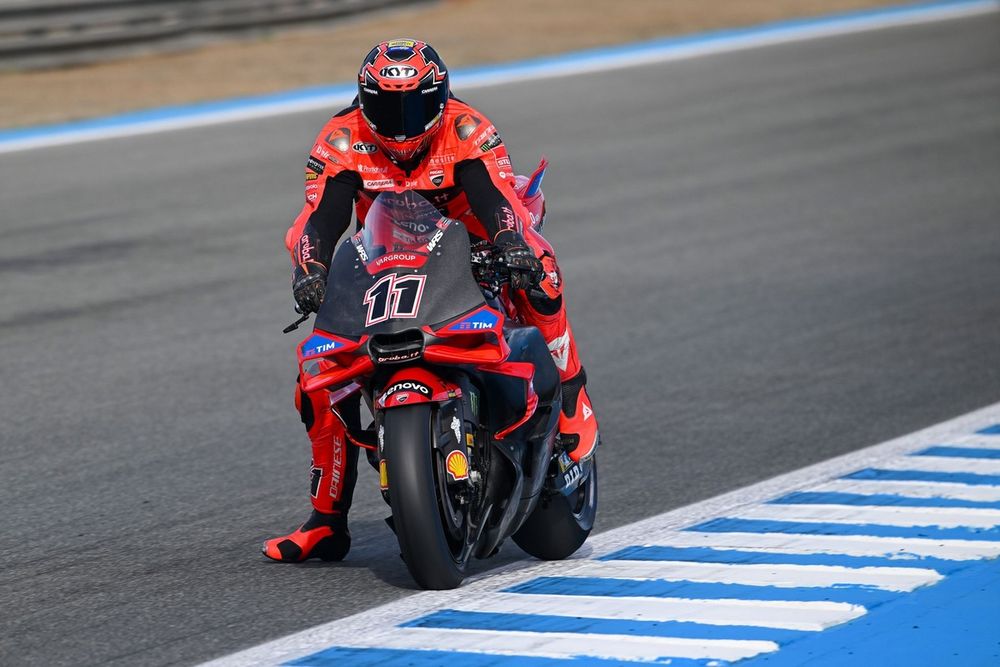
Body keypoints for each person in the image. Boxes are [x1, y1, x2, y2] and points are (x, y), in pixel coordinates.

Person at [263, 39, 599, 562]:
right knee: (317, 372)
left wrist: (510, 244)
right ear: (362, 99)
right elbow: (321, 217)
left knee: (541, 268)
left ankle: (573, 393)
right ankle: (327, 520)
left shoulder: (467, 129)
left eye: (415, 105)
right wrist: (312, 270)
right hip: (388, 256)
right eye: (386, 105)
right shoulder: (340, 138)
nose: (401, 122)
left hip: (473, 243)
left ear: (439, 97)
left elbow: (494, 197)